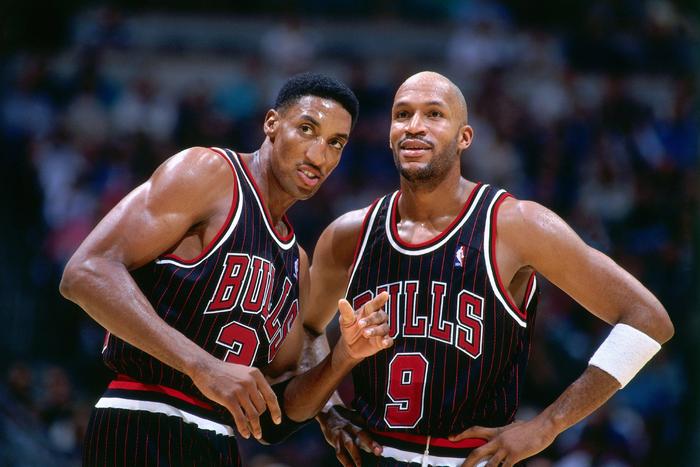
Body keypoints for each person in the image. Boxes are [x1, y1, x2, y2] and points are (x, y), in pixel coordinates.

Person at [307, 71, 674, 467]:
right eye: (402, 114)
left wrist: (549, 424)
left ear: (464, 137)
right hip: (375, 456)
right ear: (390, 133)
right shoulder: (348, 234)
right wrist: (328, 408)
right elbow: (305, 331)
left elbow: (648, 319)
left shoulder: (517, 225)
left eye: (434, 114)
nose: (414, 126)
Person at [59, 72, 394, 466]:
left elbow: (273, 416)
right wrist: (202, 366)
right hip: (142, 418)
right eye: (307, 129)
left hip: (219, 441)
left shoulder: (295, 261)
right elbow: (85, 271)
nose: (319, 156)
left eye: (335, 143)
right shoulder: (209, 173)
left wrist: (342, 361)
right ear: (272, 123)